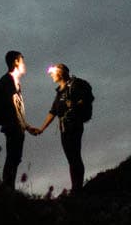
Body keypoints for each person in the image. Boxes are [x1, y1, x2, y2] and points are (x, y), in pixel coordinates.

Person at [30, 62, 89, 194]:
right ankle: (76, 188)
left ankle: (77, 189)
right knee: (71, 158)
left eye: (53, 73)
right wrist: (41, 129)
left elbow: (84, 99)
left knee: (74, 157)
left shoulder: (74, 86)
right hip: (64, 129)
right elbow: (53, 112)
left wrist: (74, 105)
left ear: (61, 72)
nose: (51, 75)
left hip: (74, 126)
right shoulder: (59, 93)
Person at [0, 50, 30, 188]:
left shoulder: (14, 82)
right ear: (16, 61)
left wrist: (25, 126)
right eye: (22, 60)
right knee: (12, 158)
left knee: (15, 158)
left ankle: (9, 188)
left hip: (17, 127)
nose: (24, 64)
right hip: (12, 127)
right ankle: (7, 188)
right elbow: (14, 107)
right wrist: (24, 126)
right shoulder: (7, 80)